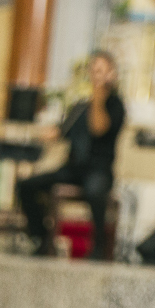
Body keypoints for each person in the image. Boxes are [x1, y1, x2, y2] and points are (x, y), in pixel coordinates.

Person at [17, 50, 126, 260]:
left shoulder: (115, 105)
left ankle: (99, 248)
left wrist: (98, 97)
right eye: (94, 71)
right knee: (26, 185)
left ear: (113, 74)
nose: (98, 76)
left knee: (95, 191)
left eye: (102, 71)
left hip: (99, 170)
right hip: (73, 168)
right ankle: (41, 238)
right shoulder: (80, 105)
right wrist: (34, 133)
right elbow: (60, 132)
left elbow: (98, 128)